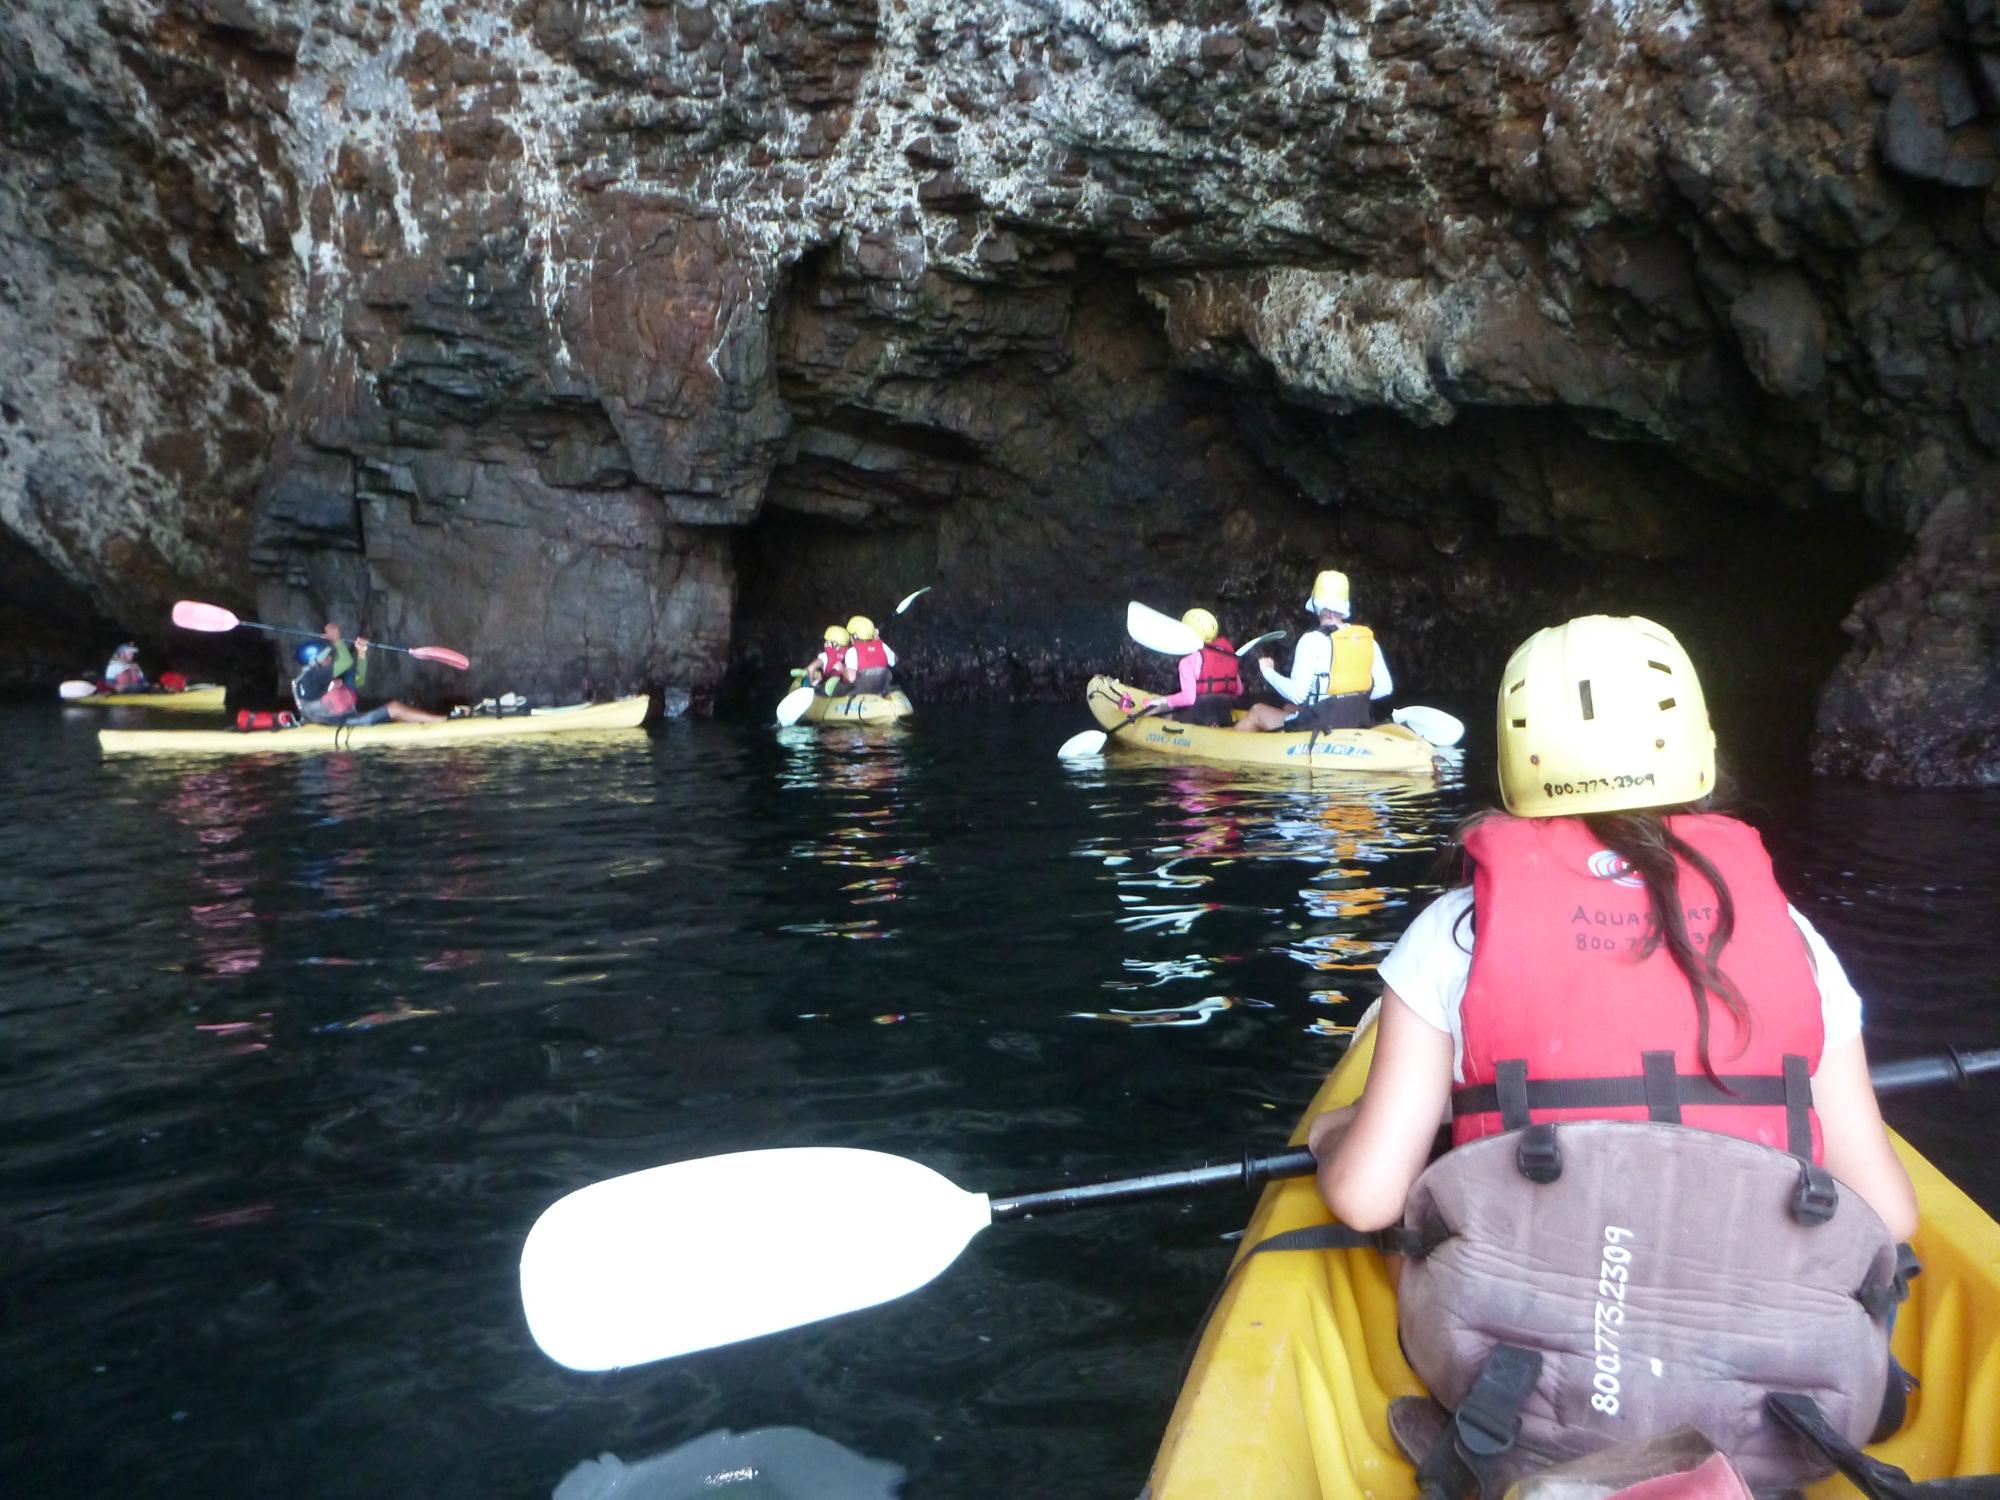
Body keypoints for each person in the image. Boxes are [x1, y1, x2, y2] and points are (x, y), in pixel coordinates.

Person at [1304, 615, 1918, 1494]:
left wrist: (1339, 1129)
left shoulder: (1455, 935)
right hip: (1779, 1409)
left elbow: (1366, 1198)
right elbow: (1886, 1215)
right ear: (1698, 748)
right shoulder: (1794, 940)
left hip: (1512, 1390)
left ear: (1517, 763)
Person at [1235, 569, 1392, 733]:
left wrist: (1268, 672)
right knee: (1289, 708)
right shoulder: (1367, 640)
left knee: (1257, 711)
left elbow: (1297, 694)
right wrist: (1346, 700)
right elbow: (1384, 688)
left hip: (1322, 725)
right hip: (1358, 719)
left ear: (1317, 603)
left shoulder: (1311, 640)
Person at [291, 634, 444, 726]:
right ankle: (443, 722)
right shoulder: (313, 676)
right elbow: (345, 662)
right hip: (343, 724)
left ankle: (434, 720)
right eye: (325, 656)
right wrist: (336, 638)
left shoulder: (318, 679)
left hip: (346, 720)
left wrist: (362, 653)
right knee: (395, 708)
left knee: (400, 706)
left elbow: (358, 680)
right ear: (313, 661)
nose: (330, 658)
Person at [1139, 608, 1242, 727]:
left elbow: (1189, 698)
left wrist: (1162, 701)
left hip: (1197, 717)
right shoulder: (1228, 655)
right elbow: (1239, 690)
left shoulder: (1188, 662)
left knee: (1164, 714)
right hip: (1223, 716)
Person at [842, 615, 897, 696]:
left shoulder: (852, 651)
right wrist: (879, 641)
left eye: (850, 635)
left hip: (862, 694)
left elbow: (851, 677)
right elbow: (895, 660)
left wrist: (841, 669)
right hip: (881, 692)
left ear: (855, 636)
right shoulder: (882, 646)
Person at [806, 625, 852, 693]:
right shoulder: (852, 652)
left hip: (828, 689)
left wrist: (812, 683)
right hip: (847, 687)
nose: (825, 644)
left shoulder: (825, 655)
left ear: (835, 644)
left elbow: (810, 668)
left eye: (827, 642)